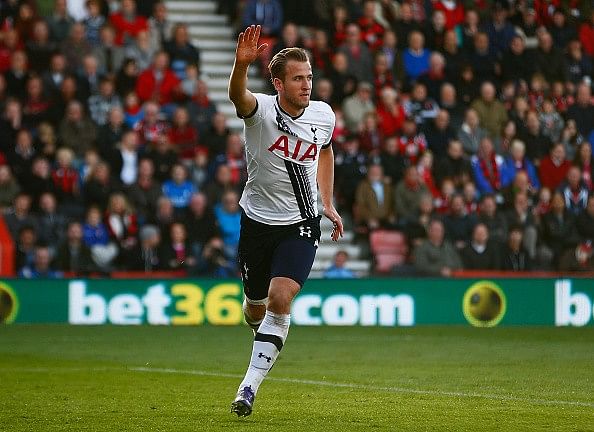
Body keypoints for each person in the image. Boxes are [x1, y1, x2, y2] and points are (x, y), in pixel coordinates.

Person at [228, 25, 342, 417]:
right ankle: (254, 310)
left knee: (281, 298)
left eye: (309, 77)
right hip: (257, 223)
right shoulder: (260, 112)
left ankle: (248, 387)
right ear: (278, 83)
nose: (306, 85)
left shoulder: (323, 115)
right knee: (255, 309)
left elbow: (326, 151)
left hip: (301, 224)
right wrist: (240, 66)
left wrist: (326, 203)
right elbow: (236, 96)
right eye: (298, 79)